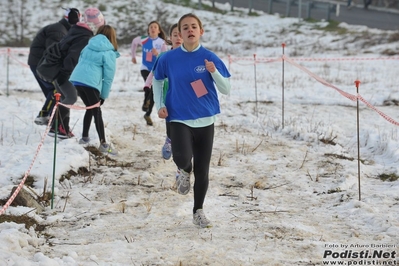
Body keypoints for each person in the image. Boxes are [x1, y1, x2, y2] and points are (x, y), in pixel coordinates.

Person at [152, 13, 231, 228]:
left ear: (201, 31)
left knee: (203, 171)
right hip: (178, 117)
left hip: (206, 118)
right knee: (181, 157)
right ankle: (184, 171)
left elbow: (227, 89)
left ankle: (198, 211)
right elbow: (157, 81)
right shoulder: (168, 58)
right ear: (179, 33)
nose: (190, 30)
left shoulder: (209, 57)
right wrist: (160, 105)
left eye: (194, 26)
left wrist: (213, 73)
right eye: (185, 27)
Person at [48, 7, 105, 139]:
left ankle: (63, 128)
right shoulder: (84, 36)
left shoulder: (76, 30)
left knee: (64, 98)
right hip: (64, 71)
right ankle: (54, 127)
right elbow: (72, 56)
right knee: (71, 97)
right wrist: (64, 73)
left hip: (60, 69)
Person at [70, 25, 120, 155]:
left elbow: (80, 60)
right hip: (90, 83)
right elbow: (108, 77)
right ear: (112, 37)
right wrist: (103, 96)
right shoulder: (109, 52)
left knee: (90, 107)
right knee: (97, 110)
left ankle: (85, 137)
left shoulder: (88, 46)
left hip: (77, 79)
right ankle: (103, 144)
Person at [28, 8, 80, 125]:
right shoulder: (58, 31)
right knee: (57, 90)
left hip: (40, 63)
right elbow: (54, 51)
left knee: (53, 92)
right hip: (42, 65)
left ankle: (50, 116)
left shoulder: (60, 29)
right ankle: (45, 115)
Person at [143, 23, 182, 160]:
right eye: (175, 35)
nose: (178, 38)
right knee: (170, 120)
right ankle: (169, 140)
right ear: (170, 38)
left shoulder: (191, 56)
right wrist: (147, 85)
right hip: (168, 95)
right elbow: (153, 72)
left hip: (185, 96)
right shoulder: (164, 56)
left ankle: (185, 146)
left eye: (181, 34)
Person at [131, 21, 168, 126]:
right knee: (150, 87)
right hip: (145, 68)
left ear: (158, 30)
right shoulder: (143, 39)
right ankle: (145, 103)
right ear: (148, 30)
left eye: (155, 27)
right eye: (151, 27)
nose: (153, 28)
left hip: (155, 69)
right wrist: (133, 56)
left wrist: (157, 54)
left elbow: (164, 57)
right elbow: (134, 42)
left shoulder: (161, 42)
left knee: (153, 91)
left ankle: (147, 113)